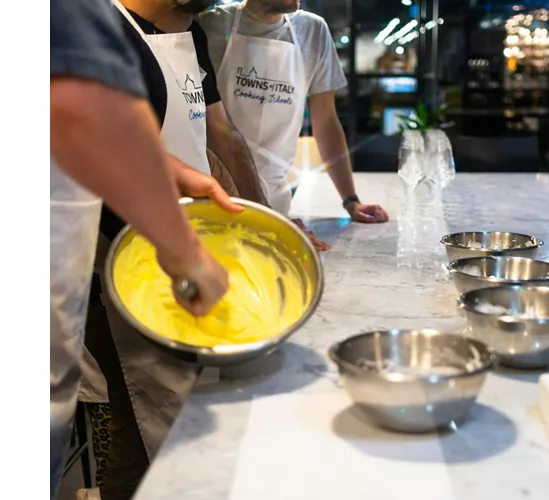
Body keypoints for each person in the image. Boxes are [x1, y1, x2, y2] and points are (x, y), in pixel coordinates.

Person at [50, 0, 234, 497]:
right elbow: (88, 120)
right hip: (98, 256)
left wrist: (174, 173)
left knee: (136, 423)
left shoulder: (190, 36)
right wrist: (186, 255)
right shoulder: (86, 15)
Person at [198, 0, 390, 230]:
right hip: (215, 198)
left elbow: (326, 121)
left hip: (277, 203)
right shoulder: (210, 26)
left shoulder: (312, 31)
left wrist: (351, 201)